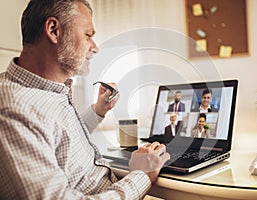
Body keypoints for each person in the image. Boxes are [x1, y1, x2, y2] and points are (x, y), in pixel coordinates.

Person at [0, 0, 169, 199]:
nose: (95, 47)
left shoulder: (43, 93)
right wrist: (142, 176)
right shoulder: (13, 108)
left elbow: (60, 141)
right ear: (54, 30)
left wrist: (98, 111)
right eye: (88, 35)